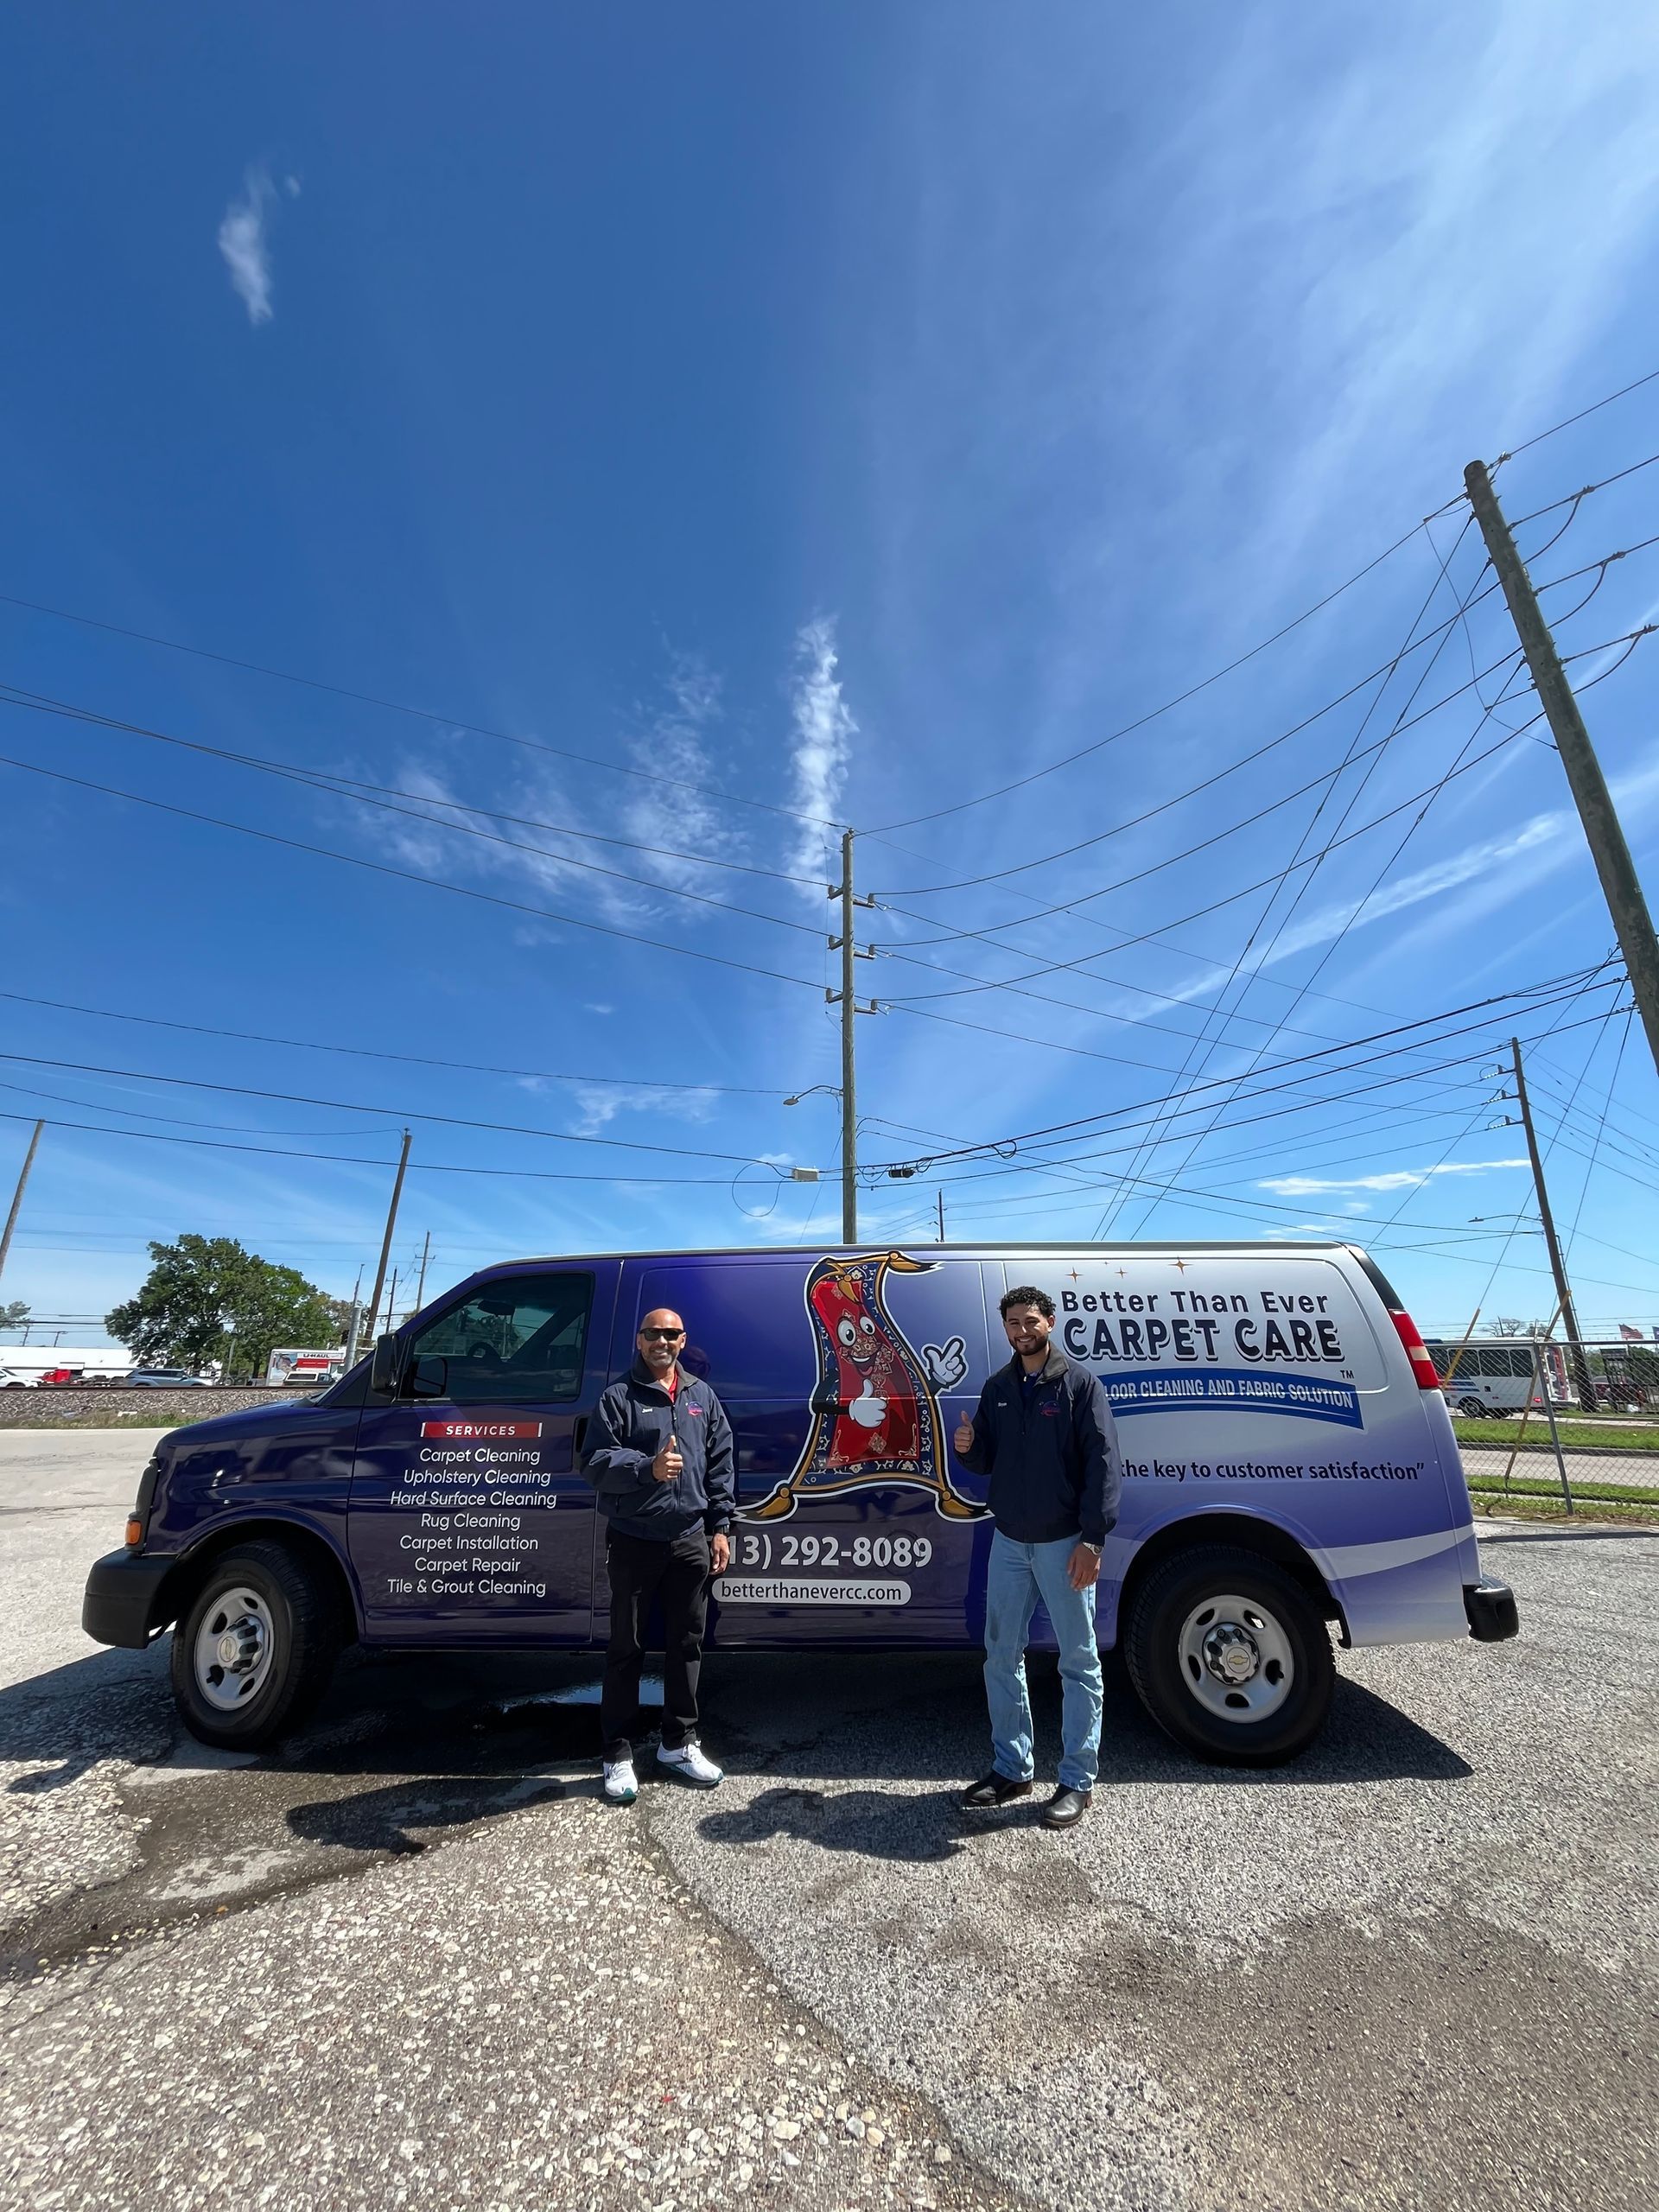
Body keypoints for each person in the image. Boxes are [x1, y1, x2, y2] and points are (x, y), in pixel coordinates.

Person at [953, 1285, 1121, 1829]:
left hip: (1063, 1545)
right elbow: (987, 1462)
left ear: (1050, 1322)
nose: (1021, 1331)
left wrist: (1092, 1541)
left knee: (1078, 1660)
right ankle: (1012, 1768)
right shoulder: (998, 1387)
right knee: (1001, 1655)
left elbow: (1103, 1465)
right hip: (1009, 1543)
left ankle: (1076, 1780)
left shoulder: (1078, 1385)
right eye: (1013, 1323)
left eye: (1030, 1321)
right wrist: (968, 1447)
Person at [583, 1307, 734, 1804]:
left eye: (671, 1335)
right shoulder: (617, 1398)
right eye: (653, 1334)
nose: (662, 1342)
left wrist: (720, 1527)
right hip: (634, 1539)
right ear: (640, 1339)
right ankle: (618, 1753)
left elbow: (720, 1465)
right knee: (626, 1648)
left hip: (691, 1539)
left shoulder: (701, 1396)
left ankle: (679, 1743)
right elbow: (595, 1462)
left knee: (686, 1644)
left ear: (683, 1340)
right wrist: (646, 1468)